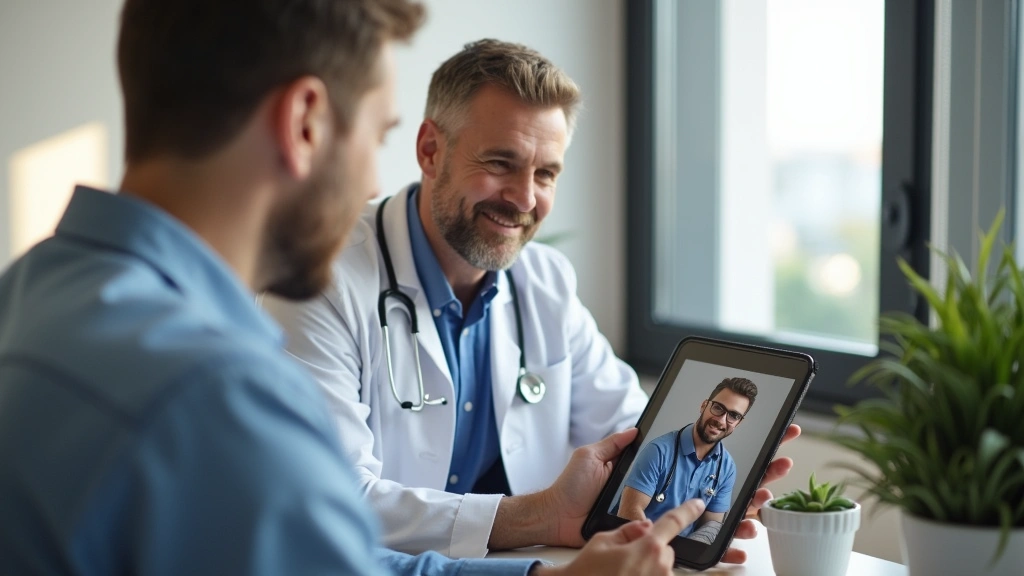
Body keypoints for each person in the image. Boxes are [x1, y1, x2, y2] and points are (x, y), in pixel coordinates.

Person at [0, 1, 792, 575]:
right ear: (307, 122)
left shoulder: (29, 293)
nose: (524, 196)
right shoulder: (209, 390)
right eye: (377, 135)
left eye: (545, 172)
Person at [262, 38, 799, 559]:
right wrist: (536, 517)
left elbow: (627, 426)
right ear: (430, 150)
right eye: (500, 163)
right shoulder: (318, 280)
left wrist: (707, 485)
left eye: (546, 173)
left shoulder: (544, 280)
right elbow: (329, 495)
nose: (524, 198)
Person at [617, 378, 758, 544]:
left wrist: (686, 556)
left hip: (681, 557)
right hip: (636, 545)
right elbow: (629, 512)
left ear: (739, 423)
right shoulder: (658, 450)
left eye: (733, 416)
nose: (721, 420)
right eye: (718, 408)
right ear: (704, 405)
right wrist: (657, 549)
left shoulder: (727, 468)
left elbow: (710, 526)